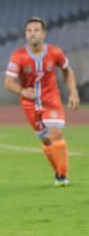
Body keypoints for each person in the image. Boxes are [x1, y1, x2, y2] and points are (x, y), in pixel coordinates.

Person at [5, 17, 80, 186]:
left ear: (44, 34)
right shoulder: (18, 56)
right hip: (29, 103)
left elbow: (67, 71)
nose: (33, 34)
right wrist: (22, 91)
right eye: (29, 30)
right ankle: (57, 172)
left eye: (37, 30)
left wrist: (73, 92)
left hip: (51, 98)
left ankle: (62, 176)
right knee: (46, 139)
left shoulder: (55, 52)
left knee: (56, 133)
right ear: (25, 34)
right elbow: (8, 83)